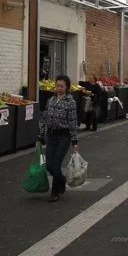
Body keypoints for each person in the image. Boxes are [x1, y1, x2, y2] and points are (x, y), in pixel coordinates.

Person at [38, 74, 79, 203]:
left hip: (63, 137)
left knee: (56, 166)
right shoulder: (51, 100)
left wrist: (74, 141)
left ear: (67, 87)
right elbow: (45, 118)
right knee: (49, 165)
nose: (59, 88)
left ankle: (55, 192)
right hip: (51, 136)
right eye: (57, 86)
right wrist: (40, 136)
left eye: (62, 86)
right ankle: (62, 180)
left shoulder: (70, 102)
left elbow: (73, 122)